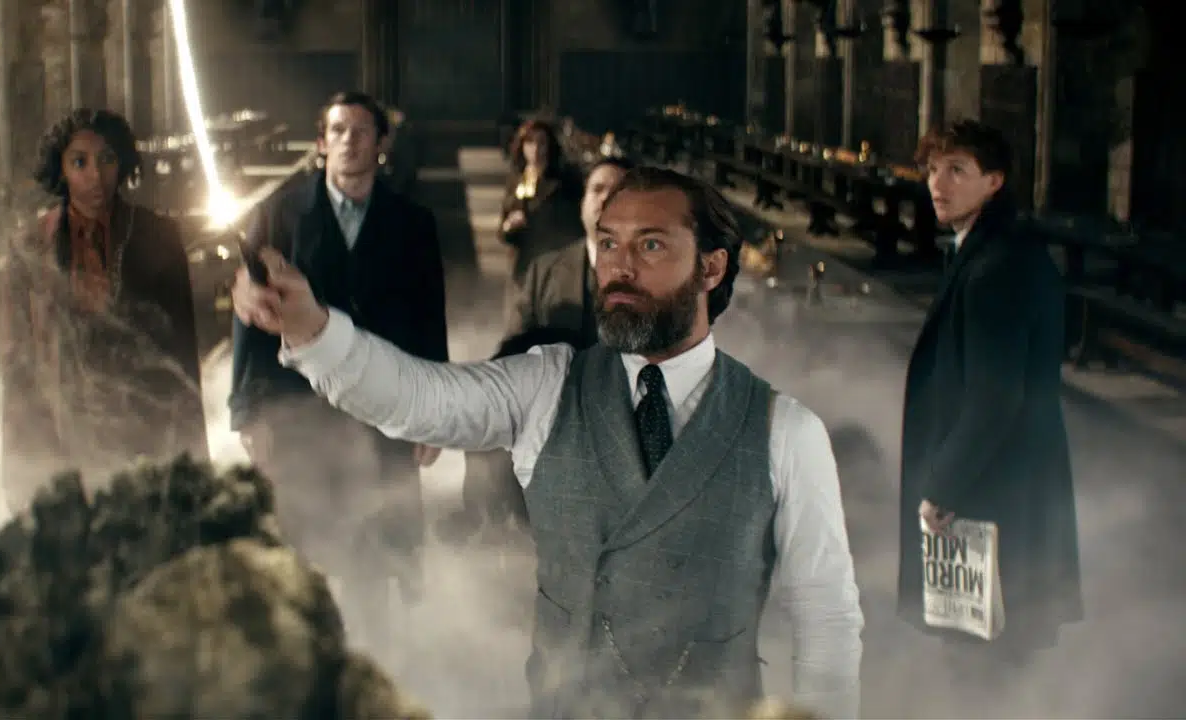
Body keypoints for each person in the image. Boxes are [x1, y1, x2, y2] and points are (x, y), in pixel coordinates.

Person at [233, 166, 864, 719]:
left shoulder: (786, 433)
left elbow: (826, 620)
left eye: (650, 244)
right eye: (609, 243)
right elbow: (416, 399)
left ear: (712, 267)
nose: (620, 266)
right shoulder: (548, 384)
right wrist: (313, 330)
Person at [227, 91, 448, 645]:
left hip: (383, 404)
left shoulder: (413, 223)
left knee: (376, 547)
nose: (349, 141)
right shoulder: (277, 214)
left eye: (361, 131)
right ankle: (306, 655)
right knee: (305, 547)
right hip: (299, 405)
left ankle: (374, 659)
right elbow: (250, 322)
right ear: (322, 143)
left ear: (380, 145)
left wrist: (435, 413)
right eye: (339, 130)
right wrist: (248, 411)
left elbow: (428, 321)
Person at [897, 120, 1082, 701]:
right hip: (1012, 483)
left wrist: (942, 486)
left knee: (982, 665)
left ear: (994, 181)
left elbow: (995, 396)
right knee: (997, 661)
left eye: (957, 170)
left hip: (993, 491)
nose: (938, 183)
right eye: (932, 169)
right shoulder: (998, 252)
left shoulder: (996, 267)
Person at [2, 108, 207, 512]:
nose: (95, 175)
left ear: (123, 163)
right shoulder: (30, 245)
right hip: (61, 445)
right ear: (61, 170)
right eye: (79, 162)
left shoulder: (158, 237)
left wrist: (194, 463)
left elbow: (183, 356)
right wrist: (17, 472)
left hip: (143, 442)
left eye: (107, 159)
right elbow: (18, 363)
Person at [455, 156, 636, 538]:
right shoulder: (546, 269)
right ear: (583, 203)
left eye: (618, 191)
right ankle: (491, 524)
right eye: (597, 189)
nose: (606, 199)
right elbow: (514, 351)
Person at [498, 118, 585, 286]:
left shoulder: (565, 180)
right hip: (523, 269)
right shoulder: (516, 179)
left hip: (556, 266)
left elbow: (575, 225)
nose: (536, 149)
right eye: (530, 142)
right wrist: (509, 227)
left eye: (542, 143)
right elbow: (503, 228)